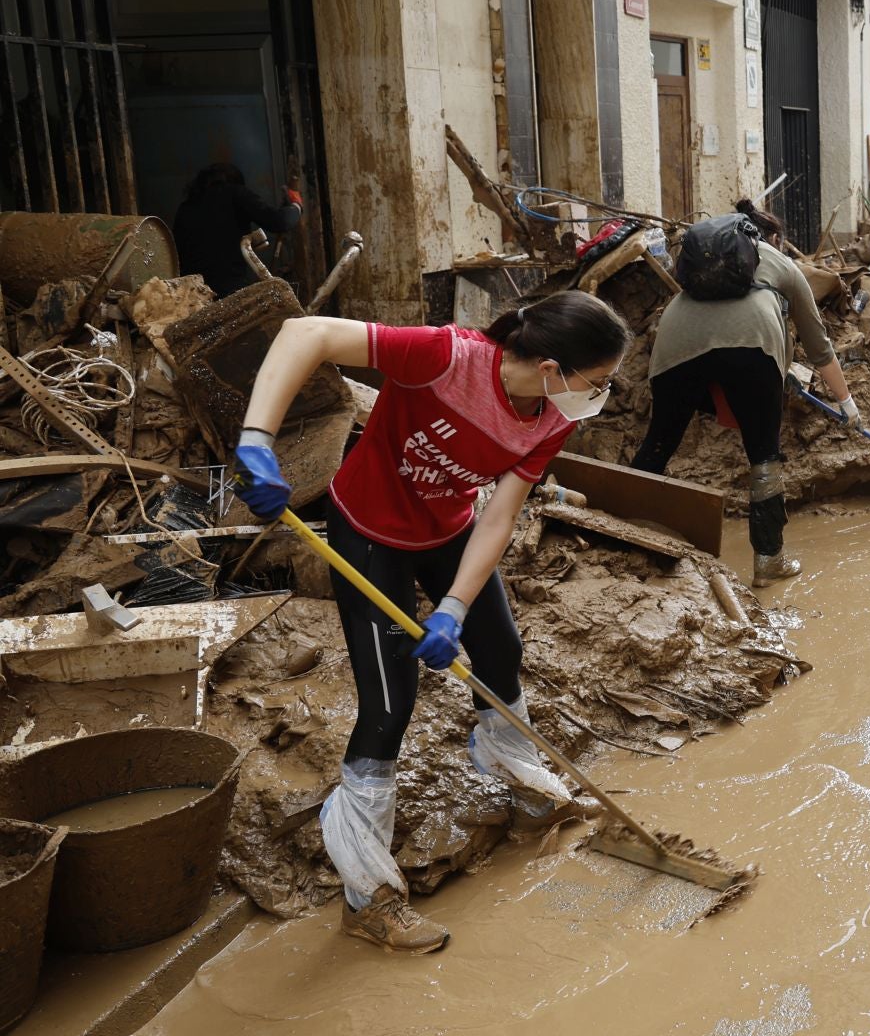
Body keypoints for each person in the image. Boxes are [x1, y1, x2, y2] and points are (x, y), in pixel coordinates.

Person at [232, 290, 632, 952]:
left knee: (500, 650)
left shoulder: (554, 415)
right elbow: (307, 333)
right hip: (367, 530)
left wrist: (452, 608)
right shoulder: (445, 357)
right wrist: (256, 441)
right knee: (390, 703)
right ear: (554, 366)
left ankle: (522, 782)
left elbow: (499, 514)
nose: (603, 393)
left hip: (448, 528)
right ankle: (367, 894)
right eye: (600, 380)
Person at [631, 215, 859, 586]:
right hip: (753, 342)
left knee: (659, 442)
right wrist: (847, 403)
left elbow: (710, 329)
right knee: (763, 454)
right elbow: (820, 348)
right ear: (771, 238)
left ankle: (621, 538)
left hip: (676, 340)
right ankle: (769, 560)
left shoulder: (701, 258)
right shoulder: (782, 263)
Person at [173, 162, 303, 298]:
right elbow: (280, 221)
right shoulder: (234, 193)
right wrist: (296, 205)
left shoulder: (185, 209)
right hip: (229, 294)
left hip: (193, 296)